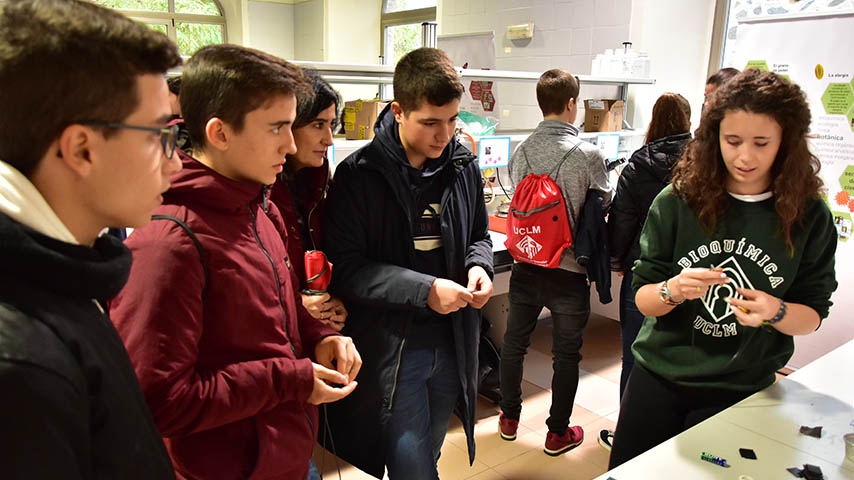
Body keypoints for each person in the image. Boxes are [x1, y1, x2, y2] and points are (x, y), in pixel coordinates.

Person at [109, 45, 362, 480]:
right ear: (220, 133)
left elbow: (276, 314)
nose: (290, 144)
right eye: (277, 128)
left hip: (284, 450)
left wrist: (318, 335)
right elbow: (159, 401)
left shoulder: (261, 210)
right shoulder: (168, 244)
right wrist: (290, 380)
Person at [608, 69, 838, 467]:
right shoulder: (677, 201)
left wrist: (775, 311)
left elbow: (813, 315)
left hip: (742, 388)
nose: (745, 157)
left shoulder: (810, 216)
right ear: (714, 136)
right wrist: (673, 289)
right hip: (658, 378)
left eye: (761, 143)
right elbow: (644, 299)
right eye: (732, 141)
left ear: (786, 141)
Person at [0, 0, 182, 477]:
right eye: (158, 135)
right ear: (82, 149)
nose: (174, 162)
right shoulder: (21, 360)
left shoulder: (61, 270)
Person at [321, 47, 494, 479]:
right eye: (431, 122)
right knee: (411, 466)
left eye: (452, 120)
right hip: (394, 348)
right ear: (398, 111)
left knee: (428, 453)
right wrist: (425, 291)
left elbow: (479, 235)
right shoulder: (359, 175)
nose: (444, 134)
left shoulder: (463, 166)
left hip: (454, 341)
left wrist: (479, 266)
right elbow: (348, 268)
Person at [497, 69, 612, 456]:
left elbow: (517, 195)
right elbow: (604, 199)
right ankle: (557, 433)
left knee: (514, 344)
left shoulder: (521, 150)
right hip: (568, 270)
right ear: (571, 104)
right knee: (566, 355)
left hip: (526, 265)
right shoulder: (588, 154)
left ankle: (508, 419)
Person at [598, 92, 692, 451]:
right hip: (689, 273)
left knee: (635, 354)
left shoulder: (639, 163)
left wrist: (618, 262)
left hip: (645, 271)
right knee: (680, 352)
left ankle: (628, 434)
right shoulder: (703, 161)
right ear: (688, 121)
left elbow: (622, 220)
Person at [270, 71, 348, 331]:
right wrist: (295, 306)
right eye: (317, 125)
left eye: (331, 125)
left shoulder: (320, 181)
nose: (329, 139)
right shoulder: (261, 190)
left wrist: (334, 302)